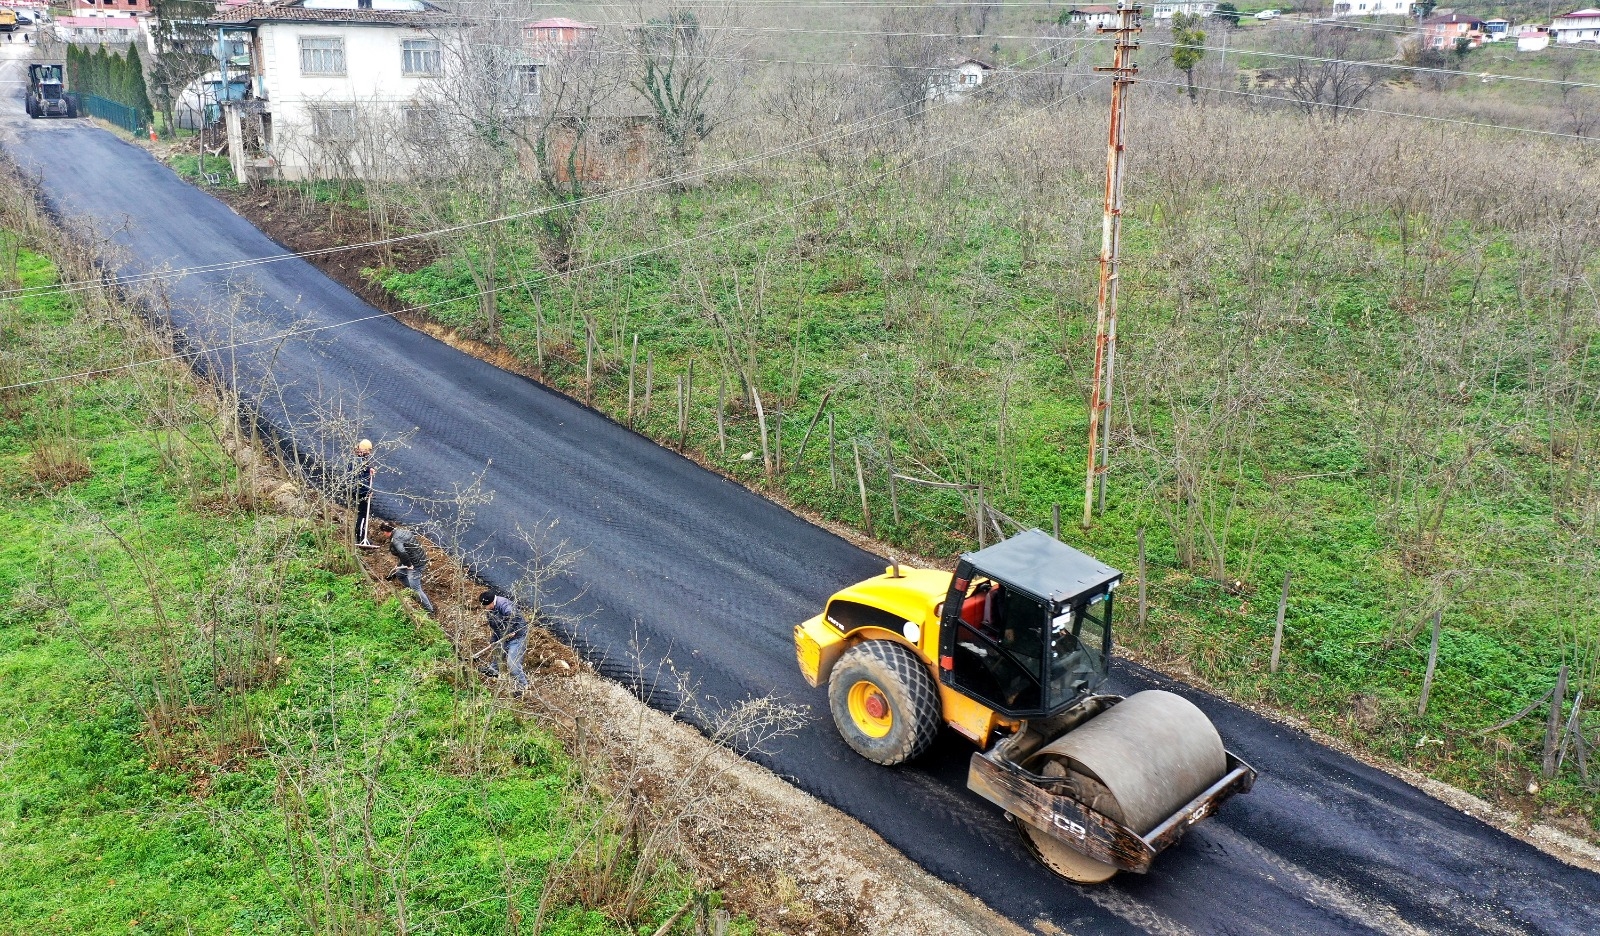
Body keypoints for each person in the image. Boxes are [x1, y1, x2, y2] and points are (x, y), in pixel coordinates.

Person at [378, 522, 434, 614]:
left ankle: (429, 610)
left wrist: (409, 565)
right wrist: (400, 564)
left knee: (416, 587)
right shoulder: (400, 531)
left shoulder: (395, 540)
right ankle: (412, 591)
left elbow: (402, 553)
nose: (383, 534)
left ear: (386, 531)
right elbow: (407, 550)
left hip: (416, 564)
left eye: (383, 532)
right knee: (399, 574)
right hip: (418, 557)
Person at [478, 590, 530, 689]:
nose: (484, 608)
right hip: (504, 635)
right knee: (497, 649)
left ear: (491, 603)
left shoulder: (504, 604)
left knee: (512, 664)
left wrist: (511, 631)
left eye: (485, 606)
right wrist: (493, 641)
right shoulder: (490, 611)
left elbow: (513, 616)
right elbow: (496, 628)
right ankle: (494, 670)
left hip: (517, 637)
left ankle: (523, 685)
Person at [350, 439, 376, 547]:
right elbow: (358, 479)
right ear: (364, 449)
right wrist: (367, 491)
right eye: (368, 450)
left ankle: (361, 536)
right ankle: (360, 538)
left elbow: (364, 471)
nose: (369, 453)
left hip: (359, 490)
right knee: (363, 514)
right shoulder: (358, 461)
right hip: (360, 491)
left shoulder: (359, 459)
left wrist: (369, 469)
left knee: (363, 513)